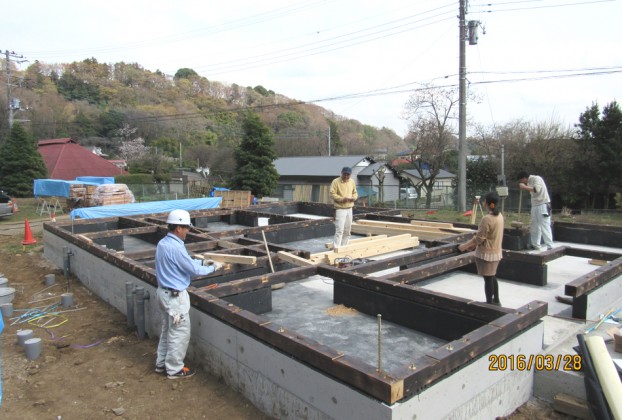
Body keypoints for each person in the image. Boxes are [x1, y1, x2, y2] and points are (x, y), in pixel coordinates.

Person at [155, 209, 222, 379]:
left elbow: (183, 262)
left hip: (163, 294)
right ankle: (175, 369)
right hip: (175, 298)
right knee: (179, 333)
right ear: (178, 228)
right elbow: (192, 270)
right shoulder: (176, 247)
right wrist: (212, 267)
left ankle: (161, 364)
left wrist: (201, 260)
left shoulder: (163, 243)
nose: (188, 231)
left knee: (167, 331)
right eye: (186, 228)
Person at [458, 191, 504, 305]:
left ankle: (489, 304)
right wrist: (472, 245)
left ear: (487, 203)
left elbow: (479, 238)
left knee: (488, 278)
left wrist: (464, 246)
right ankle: (496, 300)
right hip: (496, 252)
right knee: (492, 276)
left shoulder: (487, 218)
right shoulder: (500, 216)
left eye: (484, 201)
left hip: (487, 253)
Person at [516, 171, 554, 251]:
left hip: (543, 204)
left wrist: (524, 187)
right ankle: (535, 244)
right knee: (535, 226)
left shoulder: (537, 179)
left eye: (521, 181)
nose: (521, 183)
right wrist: (525, 187)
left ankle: (550, 246)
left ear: (524, 178)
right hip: (535, 205)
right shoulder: (529, 182)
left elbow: (537, 190)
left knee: (545, 225)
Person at [329, 166, 358, 248]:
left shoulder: (352, 182)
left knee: (347, 230)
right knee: (339, 230)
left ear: (350, 175)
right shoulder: (336, 182)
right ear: (341, 173)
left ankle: (344, 247)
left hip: (349, 209)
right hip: (340, 209)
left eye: (348, 175)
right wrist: (342, 199)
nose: (346, 176)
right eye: (344, 174)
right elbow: (332, 194)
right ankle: (336, 248)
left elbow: (355, 193)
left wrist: (354, 198)